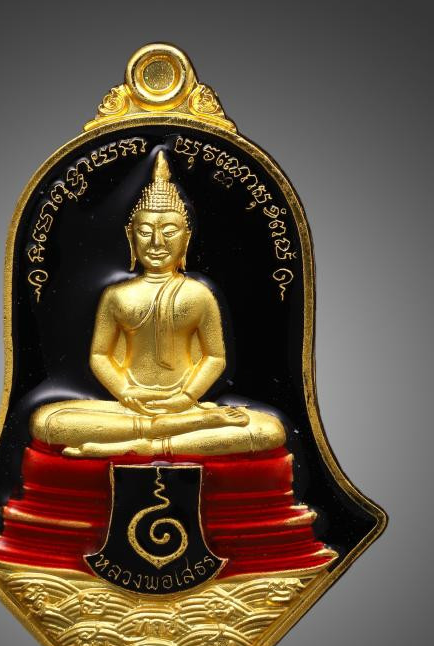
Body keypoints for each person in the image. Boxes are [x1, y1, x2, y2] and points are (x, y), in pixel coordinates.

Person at [30, 151, 285, 457]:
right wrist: (125, 392)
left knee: (269, 430)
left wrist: (185, 398)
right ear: (131, 237)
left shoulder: (199, 294)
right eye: (145, 232)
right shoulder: (116, 295)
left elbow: (215, 357)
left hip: (184, 405)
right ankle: (162, 433)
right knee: (46, 421)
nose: (156, 243)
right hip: (129, 407)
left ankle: (147, 443)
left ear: (186, 239)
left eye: (169, 232)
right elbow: (99, 355)